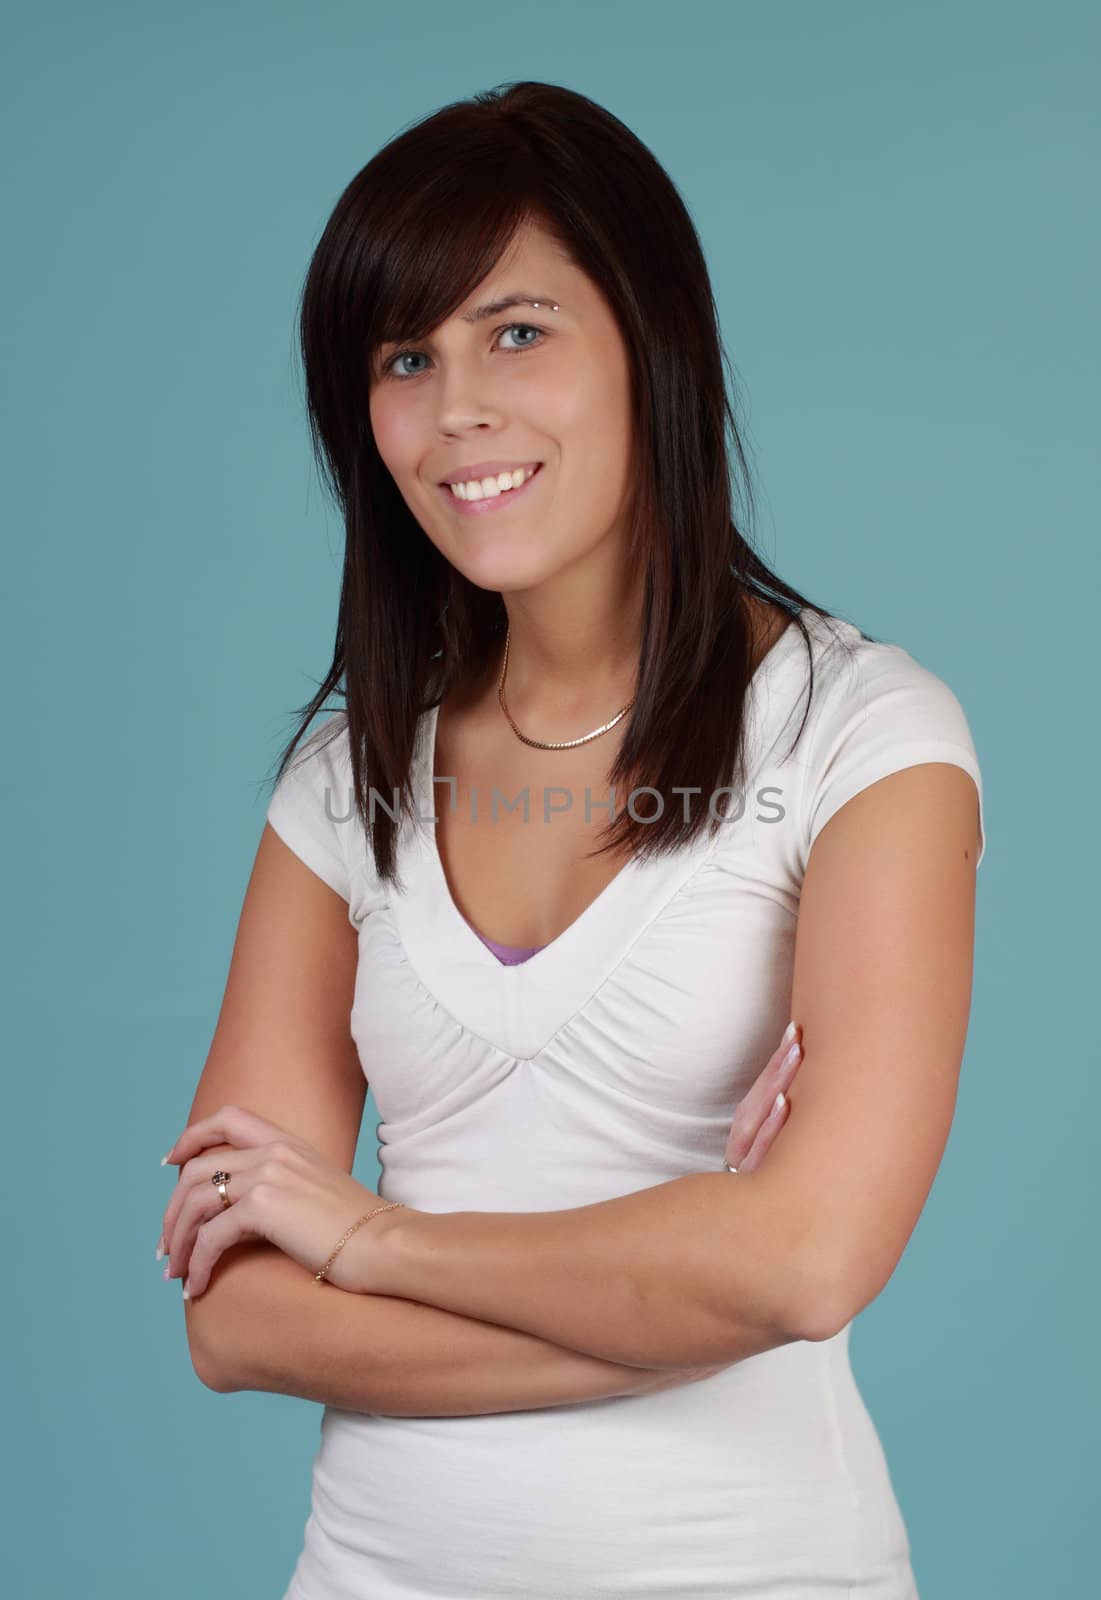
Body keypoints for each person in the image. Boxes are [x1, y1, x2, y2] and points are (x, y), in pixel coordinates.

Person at [164, 82, 985, 1599]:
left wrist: (373, 1241)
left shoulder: (864, 739)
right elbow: (235, 1319)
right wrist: (685, 1293)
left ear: (650, 344)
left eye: (516, 331)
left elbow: (807, 1264)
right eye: (406, 356)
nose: (457, 406)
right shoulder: (343, 788)